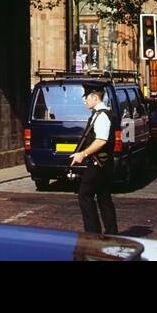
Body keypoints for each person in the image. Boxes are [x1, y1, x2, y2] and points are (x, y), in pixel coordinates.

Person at [68, 84, 117, 236]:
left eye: (86, 97)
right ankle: (112, 233)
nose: (84, 100)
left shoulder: (102, 115)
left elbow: (101, 140)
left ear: (95, 97)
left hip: (99, 163)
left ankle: (93, 233)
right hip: (103, 163)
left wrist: (83, 154)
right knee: (103, 197)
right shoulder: (100, 113)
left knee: (85, 195)